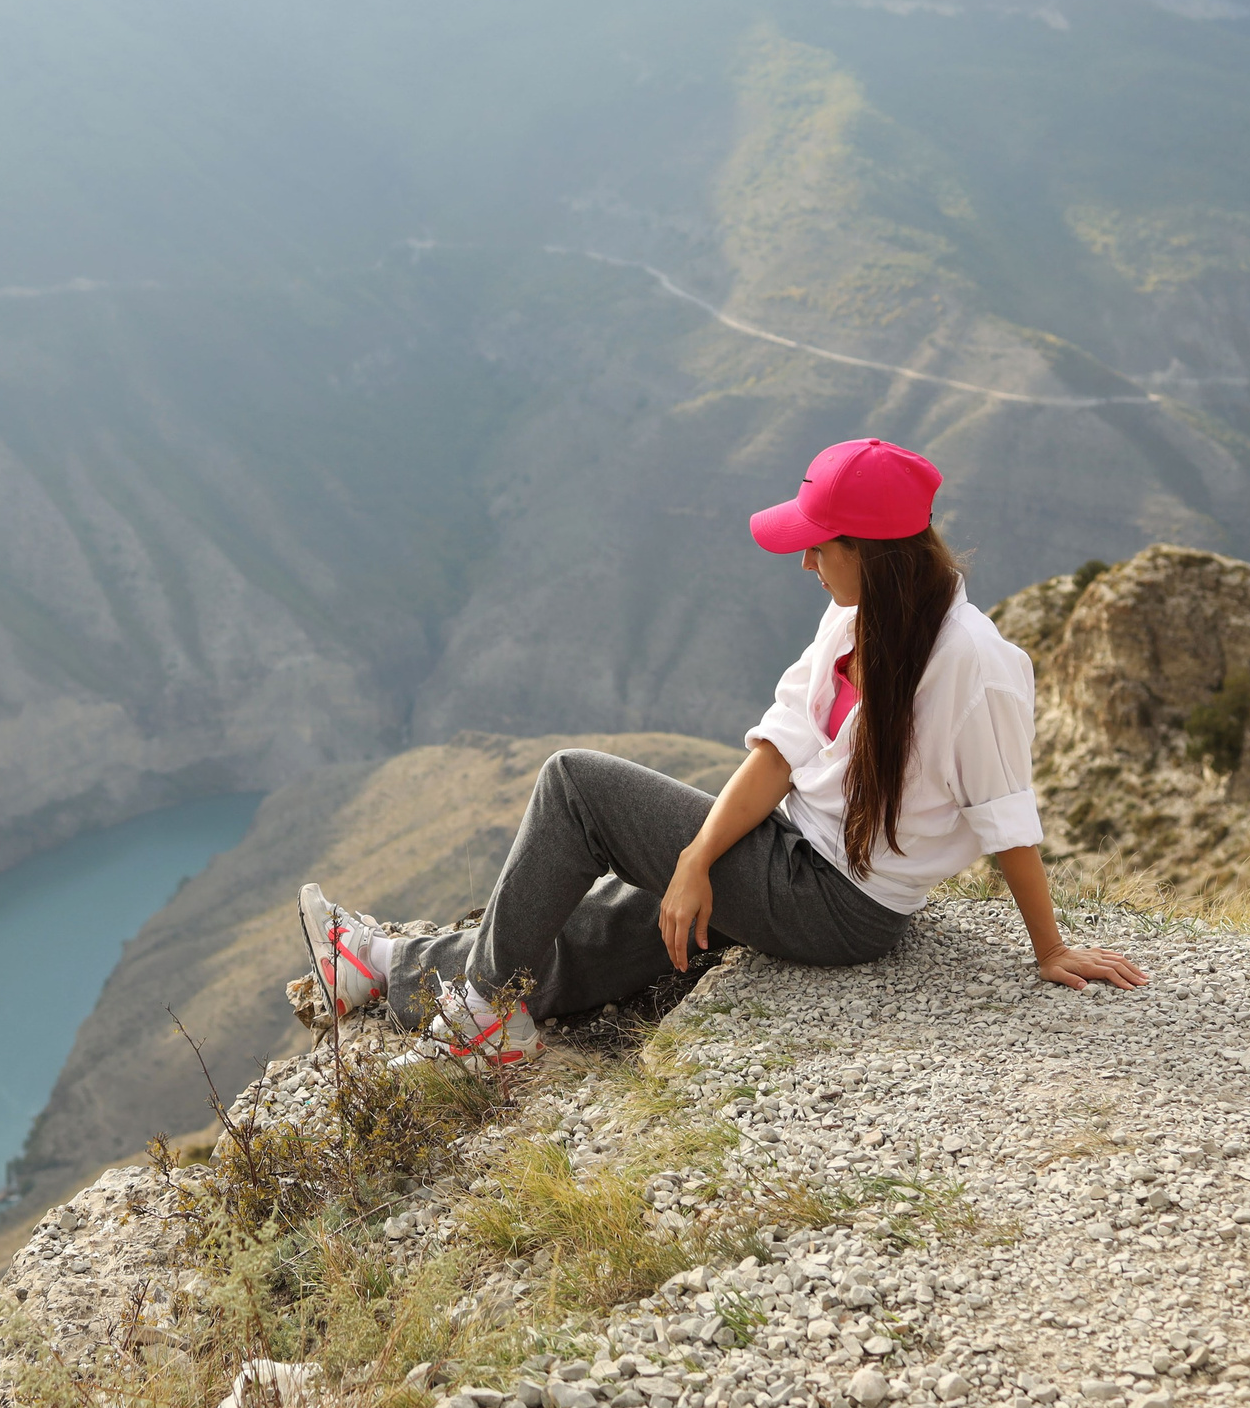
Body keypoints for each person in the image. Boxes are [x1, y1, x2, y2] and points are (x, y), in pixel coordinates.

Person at [298, 437, 1148, 1064]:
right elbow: (779, 750)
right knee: (601, 924)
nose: (806, 561)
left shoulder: (974, 663)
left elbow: (1006, 817)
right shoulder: (856, 617)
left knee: (573, 786)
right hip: (791, 853)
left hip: (840, 902)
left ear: (869, 550)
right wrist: (698, 859)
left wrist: (1049, 948)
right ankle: (376, 969)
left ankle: (484, 1017)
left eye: (820, 543)